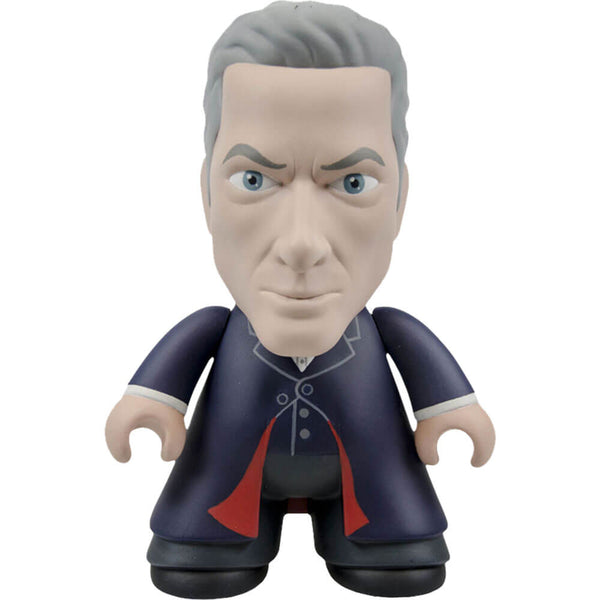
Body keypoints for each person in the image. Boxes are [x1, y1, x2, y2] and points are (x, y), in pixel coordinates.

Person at [105, 2, 495, 597]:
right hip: (224, 478)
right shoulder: (213, 326)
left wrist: (447, 409)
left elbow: (429, 375)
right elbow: (169, 375)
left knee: (398, 559)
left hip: (374, 482)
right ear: (206, 195)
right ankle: (214, 545)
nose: (301, 244)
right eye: (254, 180)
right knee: (199, 559)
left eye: (353, 183)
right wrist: (153, 402)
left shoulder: (390, 328)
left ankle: (380, 544)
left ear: (401, 201)